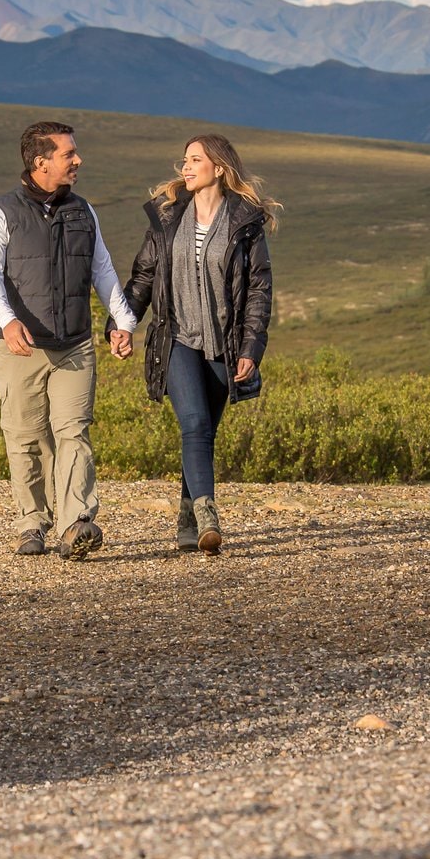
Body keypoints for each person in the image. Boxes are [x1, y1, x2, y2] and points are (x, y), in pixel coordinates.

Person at [0, 121, 137, 560]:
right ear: (40, 161)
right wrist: (8, 321)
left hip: (75, 344)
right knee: (26, 437)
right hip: (21, 347)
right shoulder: (0, 213)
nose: (78, 160)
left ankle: (76, 525)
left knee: (73, 433)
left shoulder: (84, 211)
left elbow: (101, 270)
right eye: (69, 154)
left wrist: (122, 321)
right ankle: (32, 524)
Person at [122, 134, 276, 554]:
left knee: (204, 434)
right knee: (194, 424)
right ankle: (209, 515)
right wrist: (123, 323)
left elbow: (259, 293)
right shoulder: (167, 218)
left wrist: (250, 350)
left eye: (194, 160)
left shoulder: (245, 225)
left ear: (219, 169)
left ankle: (187, 521)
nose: (184, 168)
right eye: (184, 160)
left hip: (223, 344)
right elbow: (143, 278)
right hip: (176, 337)